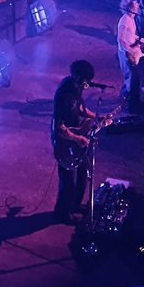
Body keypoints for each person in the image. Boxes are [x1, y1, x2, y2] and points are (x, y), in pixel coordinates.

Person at [52, 60, 99, 224]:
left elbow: (79, 108)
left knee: (81, 176)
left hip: (74, 140)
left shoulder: (75, 88)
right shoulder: (65, 95)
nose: (87, 84)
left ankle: (75, 205)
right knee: (68, 183)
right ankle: (62, 213)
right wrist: (78, 138)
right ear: (78, 77)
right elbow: (59, 128)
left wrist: (96, 117)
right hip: (65, 143)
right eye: (86, 80)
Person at [117, 0, 144, 113]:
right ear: (129, 8)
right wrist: (129, 51)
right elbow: (121, 39)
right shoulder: (125, 20)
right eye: (135, 6)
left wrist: (143, 40)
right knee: (133, 79)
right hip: (126, 54)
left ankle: (125, 101)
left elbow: (131, 36)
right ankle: (132, 107)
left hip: (129, 52)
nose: (138, 7)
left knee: (131, 79)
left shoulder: (131, 19)